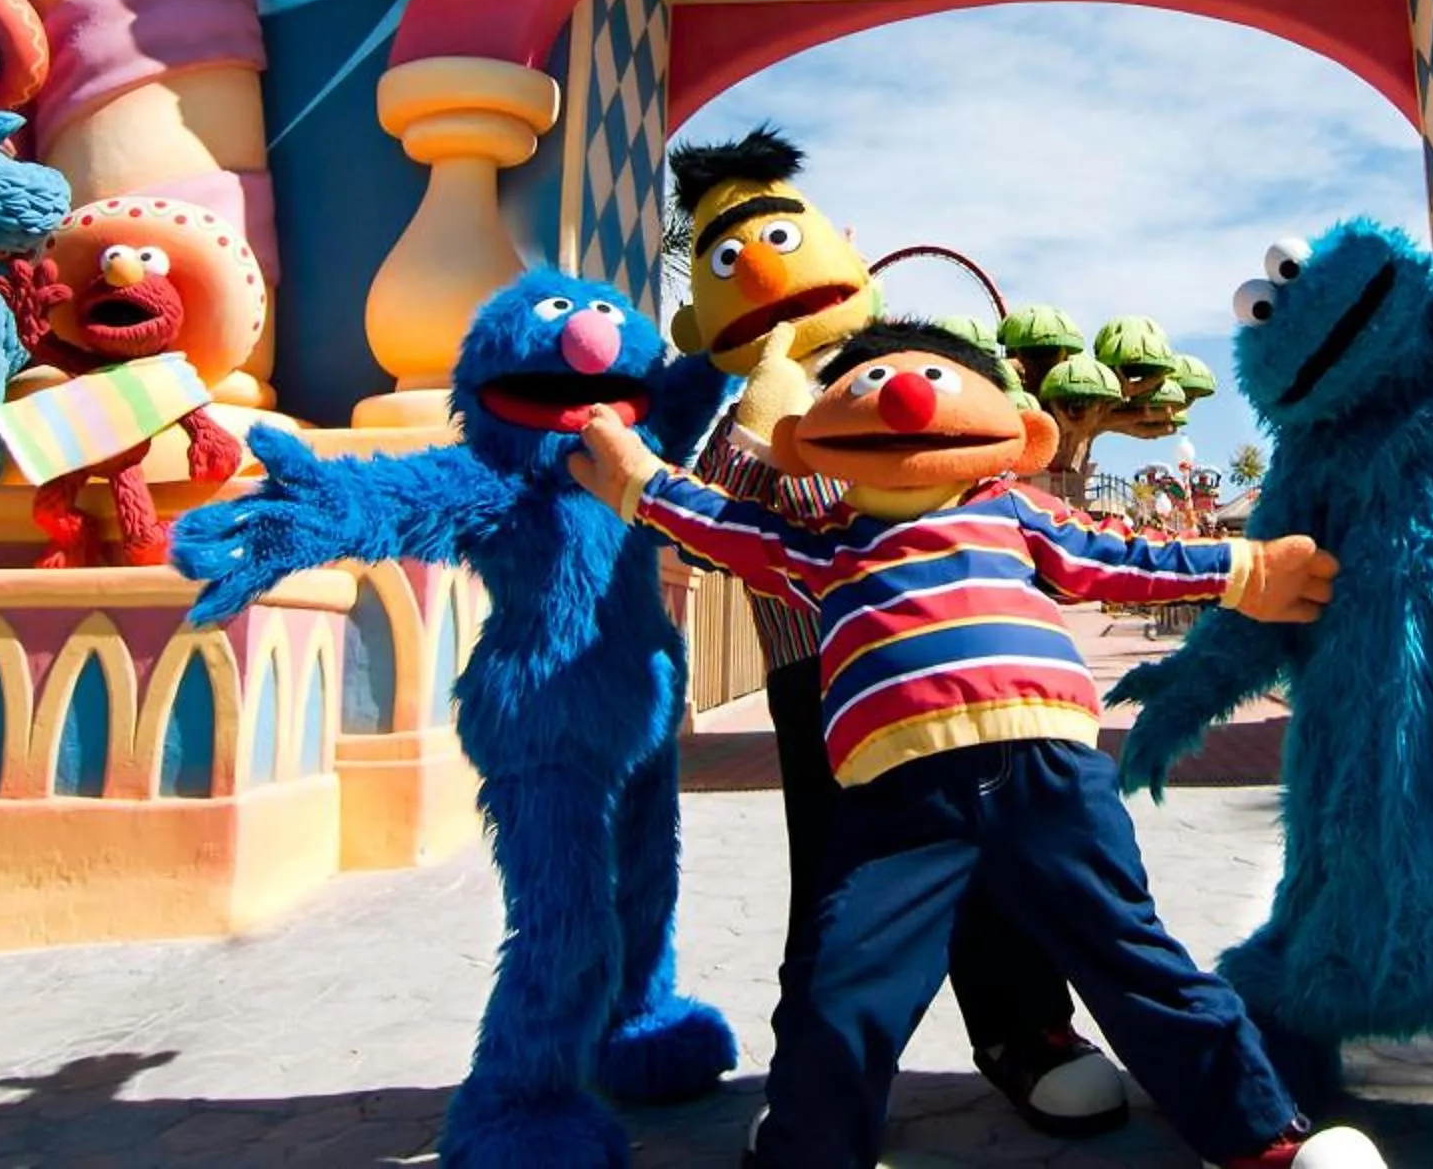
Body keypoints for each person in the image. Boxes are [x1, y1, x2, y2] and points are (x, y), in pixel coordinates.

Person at [572, 323, 1379, 1169]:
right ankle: (810, 1145)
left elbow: (1121, 556)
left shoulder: (1013, 509)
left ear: (1014, 430)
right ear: (809, 445)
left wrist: (1246, 570)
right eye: (872, 383)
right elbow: (726, 524)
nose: (905, 397)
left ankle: (1262, 1136)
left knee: (1133, 954)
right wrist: (637, 480)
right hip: (897, 798)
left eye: (933, 378)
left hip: (1050, 771)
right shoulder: (828, 543)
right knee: (845, 979)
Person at [662, 130, 1128, 1136]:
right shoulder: (744, 406)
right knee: (834, 879)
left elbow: (999, 480)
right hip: (820, 678)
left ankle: (1026, 1030)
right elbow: (708, 538)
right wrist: (762, 402)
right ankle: (820, 1082)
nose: (774, 275)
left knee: (995, 855)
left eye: (784, 236)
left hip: (962, 659)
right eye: (732, 260)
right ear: (704, 312)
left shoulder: (910, 364)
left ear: (846, 244)